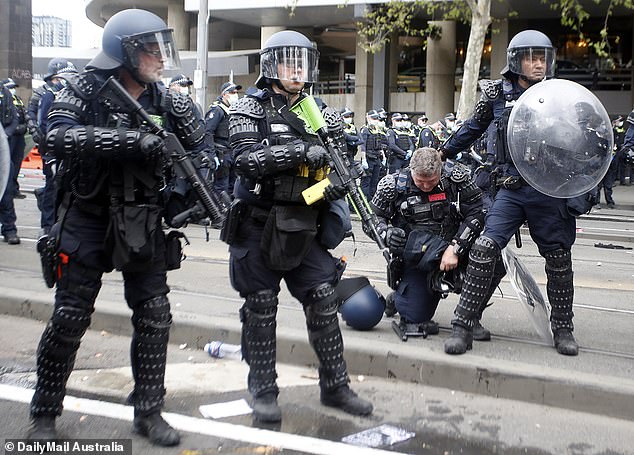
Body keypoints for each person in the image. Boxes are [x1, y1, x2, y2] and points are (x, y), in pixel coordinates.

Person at [27, 9, 210, 445]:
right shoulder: (82, 87)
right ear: (125, 52)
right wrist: (133, 142)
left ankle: (149, 410)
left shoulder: (167, 100)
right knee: (70, 317)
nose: (161, 60)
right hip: (87, 218)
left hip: (144, 220)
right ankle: (45, 412)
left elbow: (204, 150)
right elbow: (53, 135)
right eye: (152, 50)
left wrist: (191, 196)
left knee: (155, 316)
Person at [226, 29, 372, 423]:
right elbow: (244, 162)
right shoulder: (248, 109)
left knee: (324, 299)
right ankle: (263, 389)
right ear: (271, 66)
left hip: (303, 218)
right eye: (290, 62)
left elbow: (324, 176)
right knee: (260, 307)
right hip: (259, 222)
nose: (298, 70)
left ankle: (336, 387)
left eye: (304, 62)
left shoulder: (320, 110)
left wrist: (334, 185)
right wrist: (298, 151)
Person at [440, 30, 580, 356]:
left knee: (559, 259)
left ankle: (563, 329)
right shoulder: (496, 94)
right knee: (485, 247)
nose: (537, 64)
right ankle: (463, 325)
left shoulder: (560, 95)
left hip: (548, 191)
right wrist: (443, 152)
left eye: (542, 57)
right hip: (511, 187)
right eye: (531, 57)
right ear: (516, 60)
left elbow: (578, 140)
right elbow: (471, 129)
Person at [369, 147, 485, 337]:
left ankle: (471, 316)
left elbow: (479, 211)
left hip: (452, 247)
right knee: (415, 317)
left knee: (490, 258)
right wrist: (386, 233)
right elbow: (372, 218)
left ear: (441, 170)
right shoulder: (392, 184)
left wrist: (456, 247)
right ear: (411, 170)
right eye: (420, 181)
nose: (425, 186)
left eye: (431, 181)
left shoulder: (457, 178)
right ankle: (399, 298)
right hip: (417, 258)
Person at [35, 59, 79, 236]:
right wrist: (50, 155)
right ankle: (47, 226)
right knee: (51, 189)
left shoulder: (74, 96)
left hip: (67, 153)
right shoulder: (49, 95)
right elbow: (45, 125)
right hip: (52, 152)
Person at [205, 80, 242, 195]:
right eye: (232, 92)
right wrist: (211, 154)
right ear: (224, 94)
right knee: (221, 188)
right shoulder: (217, 110)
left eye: (236, 92)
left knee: (234, 186)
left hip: (232, 153)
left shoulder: (234, 110)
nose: (235, 95)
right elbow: (208, 132)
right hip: (221, 154)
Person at [0, 78, 27, 199]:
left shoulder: (17, 100)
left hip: (18, 135)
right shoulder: (4, 99)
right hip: (9, 137)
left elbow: (22, 116)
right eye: (10, 87)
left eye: (14, 88)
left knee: (16, 162)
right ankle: (8, 190)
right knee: (7, 164)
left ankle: (13, 188)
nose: (13, 90)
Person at [0, 81, 20, 244]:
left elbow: (13, 119)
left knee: (6, 192)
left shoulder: (4, 92)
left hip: (2, 152)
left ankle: (9, 229)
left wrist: (4, 136)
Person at [359, 109, 387, 199]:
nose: (375, 120)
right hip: (368, 159)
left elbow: (379, 145)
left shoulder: (377, 130)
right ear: (368, 118)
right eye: (373, 118)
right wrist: (363, 160)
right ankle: (365, 202)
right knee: (366, 182)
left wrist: (384, 157)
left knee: (374, 182)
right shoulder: (365, 130)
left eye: (376, 118)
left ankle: (372, 201)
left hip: (377, 159)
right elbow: (363, 146)